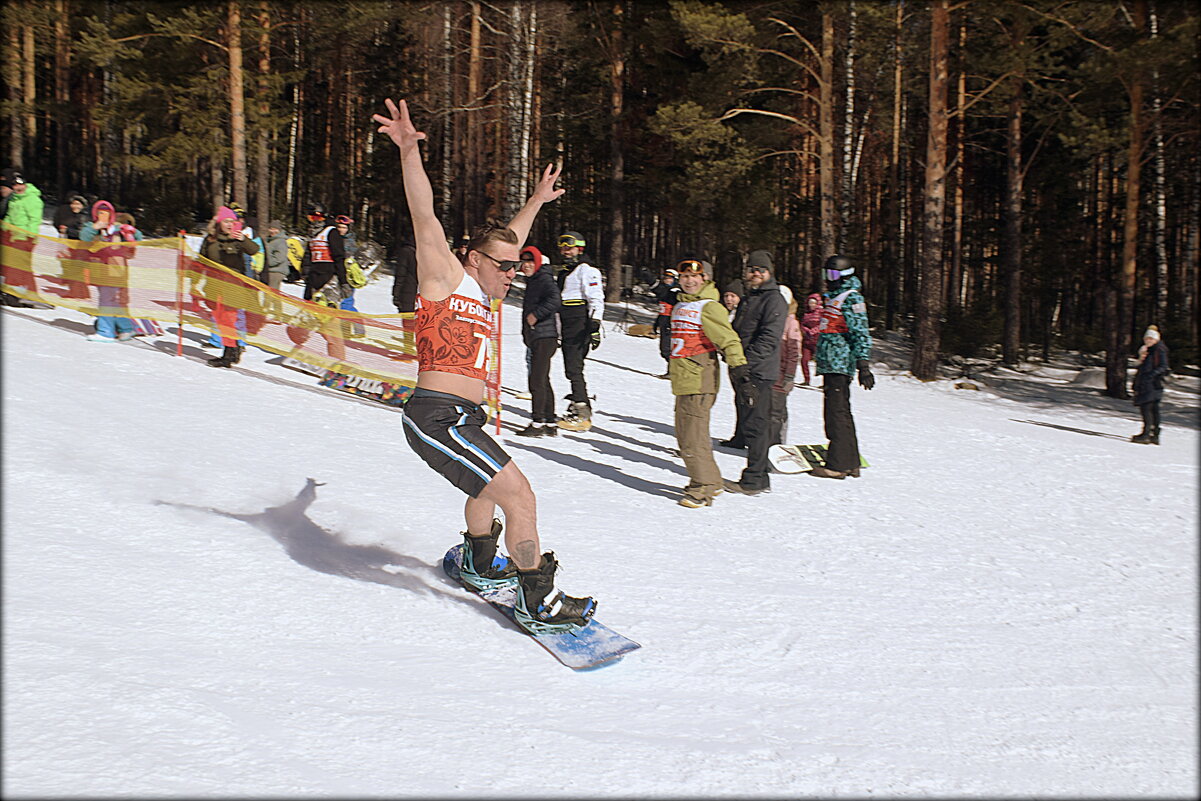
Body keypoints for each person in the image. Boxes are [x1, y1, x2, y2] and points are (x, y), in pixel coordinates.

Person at [372, 96, 595, 633]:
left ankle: (476, 561)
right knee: (520, 495)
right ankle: (537, 602)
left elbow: (510, 237)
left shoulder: (486, 283)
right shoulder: (445, 277)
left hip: (461, 417)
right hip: (436, 415)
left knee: (485, 489)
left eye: (517, 268)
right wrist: (407, 152)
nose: (511, 276)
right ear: (472, 259)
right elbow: (423, 214)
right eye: (504, 268)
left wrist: (538, 198)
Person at [667, 258, 752, 508]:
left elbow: (729, 340)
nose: (689, 281)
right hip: (684, 379)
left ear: (705, 279)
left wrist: (741, 371)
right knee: (691, 435)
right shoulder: (681, 305)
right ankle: (712, 482)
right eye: (684, 277)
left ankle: (701, 488)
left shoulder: (709, 307)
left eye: (695, 277)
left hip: (699, 379)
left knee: (691, 437)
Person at [723, 249, 787, 496]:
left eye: (761, 270)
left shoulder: (773, 299)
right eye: (752, 270)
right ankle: (758, 475)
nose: (756, 274)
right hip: (743, 368)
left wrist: (745, 362)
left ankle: (755, 478)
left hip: (758, 371)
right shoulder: (751, 297)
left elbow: (769, 337)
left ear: (769, 273)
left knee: (757, 425)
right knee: (750, 421)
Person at [811, 255, 874, 479]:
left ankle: (837, 465)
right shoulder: (834, 297)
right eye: (826, 274)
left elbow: (860, 332)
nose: (829, 279)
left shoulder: (851, 298)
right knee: (839, 412)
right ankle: (850, 461)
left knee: (836, 414)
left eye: (834, 275)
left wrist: (863, 365)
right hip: (831, 363)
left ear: (845, 276)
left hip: (839, 363)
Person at [554, 230, 605, 432]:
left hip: (579, 322)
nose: (566, 251)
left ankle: (583, 411)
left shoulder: (587, 270)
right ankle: (577, 401)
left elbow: (596, 298)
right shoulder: (565, 271)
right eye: (563, 248)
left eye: (570, 247)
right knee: (571, 367)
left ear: (580, 249)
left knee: (574, 368)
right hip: (567, 321)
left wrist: (595, 324)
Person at [199, 206, 260, 367]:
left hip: (233, 286)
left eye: (232, 221)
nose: (229, 224)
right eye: (226, 221)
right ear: (219, 222)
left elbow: (255, 250)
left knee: (229, 319)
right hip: (213, 285)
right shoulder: (210, 239)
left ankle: (229, 353)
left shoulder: (237, 238)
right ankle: (233, 348)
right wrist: (194, 278)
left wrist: (243, 240)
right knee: (219, 319)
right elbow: (201, 260)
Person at [78, 201, 142, 342]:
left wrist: (131, 231)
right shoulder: (91, 227)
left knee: (106, 300)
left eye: (106, 213)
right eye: (100, 213)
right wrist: (96, 227)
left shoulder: (117, 228)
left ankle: (105, 331)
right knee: (112, 301)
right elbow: (83, 237)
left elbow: (138, 238)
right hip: (99, 268)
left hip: (115, 270)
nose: (103, 216)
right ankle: (126, 328)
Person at [516, 245, 561, 437]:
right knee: (543, 378)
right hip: (538, 336)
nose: (526, 266)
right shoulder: (534, 280)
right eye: (524, 262)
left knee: (536, 379)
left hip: (545, 335)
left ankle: (537, 422)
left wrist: (536, 314)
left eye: (530, 262)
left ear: (538, 262)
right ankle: (550, 421)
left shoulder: (543, 278)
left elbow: (555, 299)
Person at [1, 168, 43, 306]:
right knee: (14, 266)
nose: (18, 188)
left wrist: (29, 237)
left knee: (21, 266)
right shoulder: (14, 199)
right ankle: (14, 294)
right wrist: (5, 228)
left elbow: (34, 220)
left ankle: (30, 294)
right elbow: (9, 217)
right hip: (13, 238)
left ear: (25, 185)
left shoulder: (32, 199)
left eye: (20, 185)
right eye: (15, 185)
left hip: (24, 238)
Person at [767, 284, 802, 447]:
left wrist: (789, 376)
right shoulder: (771, 319)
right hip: (767, 374)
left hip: (781, 376)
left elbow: (794, 352)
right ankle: (765, 443)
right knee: (765, 411)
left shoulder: (791, 322)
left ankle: (777, 444)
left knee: (777, 413)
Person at [1131, 325, 1170, 445]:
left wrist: (1150, 376)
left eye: (1150, 339)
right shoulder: (1150, 350)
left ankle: (1147, 434)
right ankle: (1154, 434)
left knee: (1147, 409)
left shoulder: (1159, 350)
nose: (1148, 341)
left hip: (1152, 385)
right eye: (1146, 339)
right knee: (1153, 409)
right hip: (1150, 385)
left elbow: (1163, 366)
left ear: (1156, 339)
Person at [302, 213, 349, 306]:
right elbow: (308, 256)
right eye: (311, 218)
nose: (315, 221)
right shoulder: (313, 234)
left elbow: (339, 257)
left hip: (329, 277)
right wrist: (305, 274)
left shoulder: (331, 232)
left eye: (318, 218)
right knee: (310, 305)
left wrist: (343, 281)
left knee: (329, 309)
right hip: (313, 277)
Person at [650, 267, 681, 378]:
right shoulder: (665, 291)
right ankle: (672, 371)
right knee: (664, 350)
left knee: (667, 349)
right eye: (666, 278)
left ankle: (674, 371)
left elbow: (667, 296)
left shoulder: (675, 292)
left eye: (670, 278)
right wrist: (656, 324)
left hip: (671, 323)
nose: (667, 280)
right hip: (664, 321)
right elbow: (662, 311)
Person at [800, 292, 822, 385]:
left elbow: (824, 324)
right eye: (810, 303)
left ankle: (825, 382)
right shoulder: (806, 314)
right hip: (807, 341)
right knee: (804, 360)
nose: (811, 305)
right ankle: (807, 379)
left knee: (821, 362)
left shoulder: (822, 312)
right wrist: (805, 330)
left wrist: (813, 331)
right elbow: (802, 325)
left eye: (813, 303)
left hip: (818, 340)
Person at [391, 235, 418, 313]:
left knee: (408, 322)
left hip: (407, 294)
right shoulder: (429, 252)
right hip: (426, 296)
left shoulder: (406, 252)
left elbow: (400, 274)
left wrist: (396, 295)